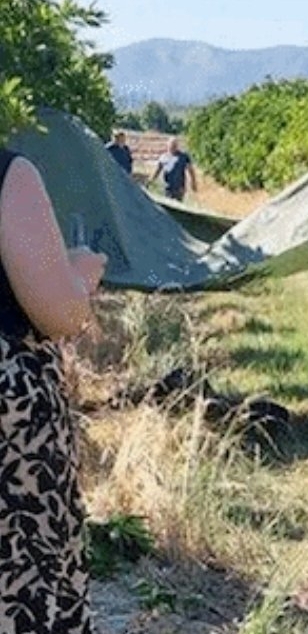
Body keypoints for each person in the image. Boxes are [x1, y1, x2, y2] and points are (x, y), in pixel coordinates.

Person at [0, 149, 107, 633]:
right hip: (12, 430)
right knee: (24, 583)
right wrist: (79, 274)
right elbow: (60, 313)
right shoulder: (10, 176)